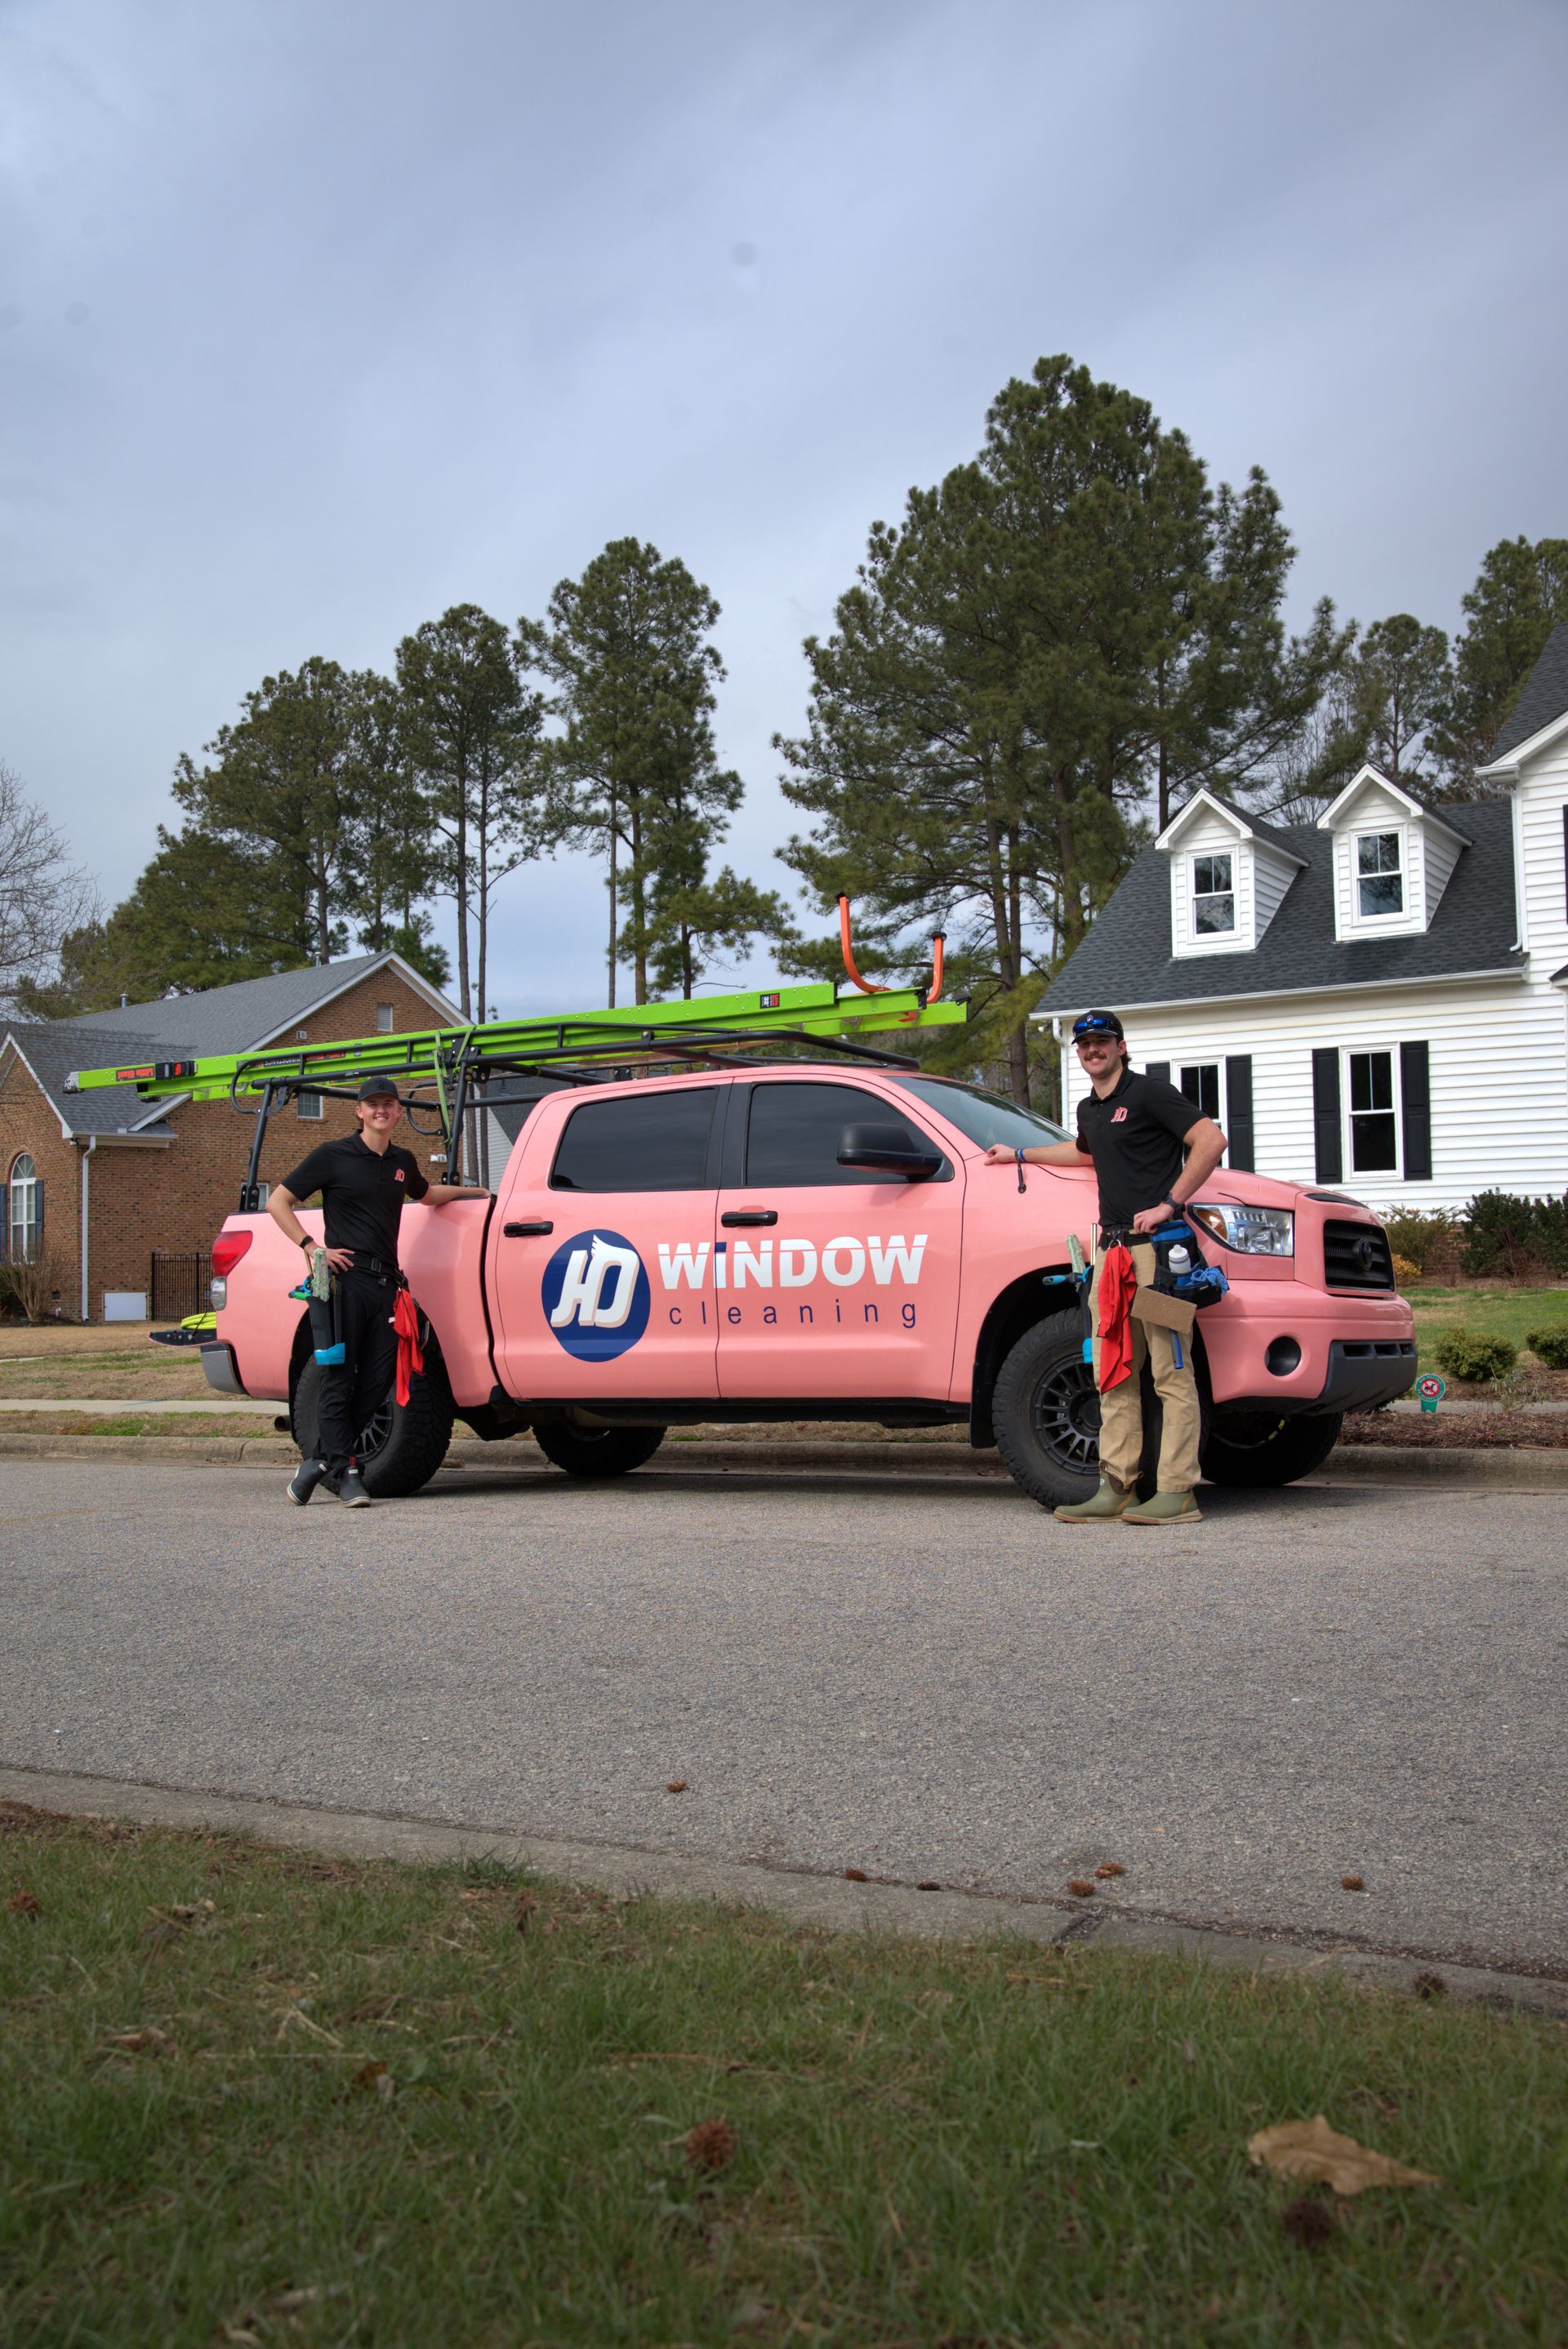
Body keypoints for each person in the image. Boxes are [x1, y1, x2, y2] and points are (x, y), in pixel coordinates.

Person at [984, 1010, 1227, 1525]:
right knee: (1114, 1370)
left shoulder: (1150, 1093)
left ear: (1121, 1046)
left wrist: (1170, 1204)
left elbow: (1211, 1141)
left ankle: (1179, 1492)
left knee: (1171, 1372)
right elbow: (1083, 1151)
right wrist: (1018, 1154)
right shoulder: (1090, 1109)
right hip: (1112, 1258)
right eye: (1084, 1043)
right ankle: (1117, 1488)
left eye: (1102, 1041)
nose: (1092, 1049)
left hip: (1160, 1257)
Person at [268, 1074, 488, 1507]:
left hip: (388, 1286)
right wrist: (312, 1247)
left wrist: (474, 1192)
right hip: (345, 1283)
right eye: (373, 1104)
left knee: (378, 1379)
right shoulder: (332, 1155)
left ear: (398, 1112)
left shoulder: (402, 1161)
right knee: (339, 1378)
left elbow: (427, 1195)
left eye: (388, 1104)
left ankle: (318, 1462)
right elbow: (278, 1202)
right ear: (360, 1111)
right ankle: (349, 1472)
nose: (381, 1110)